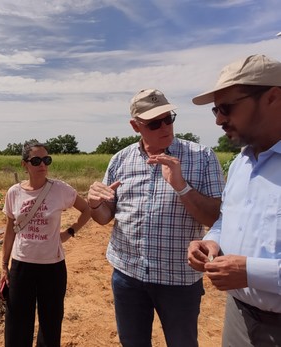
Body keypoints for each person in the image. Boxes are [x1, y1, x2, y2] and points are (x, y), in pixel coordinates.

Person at [87, 88, 225, 347]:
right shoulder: (120, 160)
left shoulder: (202, 157)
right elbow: (105, 217)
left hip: (179, 279)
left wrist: (181, 186)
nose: (165, 127)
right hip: (128, 274)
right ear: (135, 126)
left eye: (168, 118)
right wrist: (94, 204)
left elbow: (215, 217)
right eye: (154, 123)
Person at [187, 54, 281, 346]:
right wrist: (213, 241)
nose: (218, 119)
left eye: (227, 107)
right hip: (239, 316)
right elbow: (227, 217)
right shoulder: (241, 164)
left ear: (273, 97)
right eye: (216, 109)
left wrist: (250, 272)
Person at [0, 140, 91, 347]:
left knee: (50, 324)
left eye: (46, 159)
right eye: (36, 160)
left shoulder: (60, 189)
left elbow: (87, 211)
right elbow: (9, 231)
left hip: (53, 267)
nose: (42, 164)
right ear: (25, 165)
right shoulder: (14, 192)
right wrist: (4, 266)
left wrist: (69, 232)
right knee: (17, 324)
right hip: (22, 265)